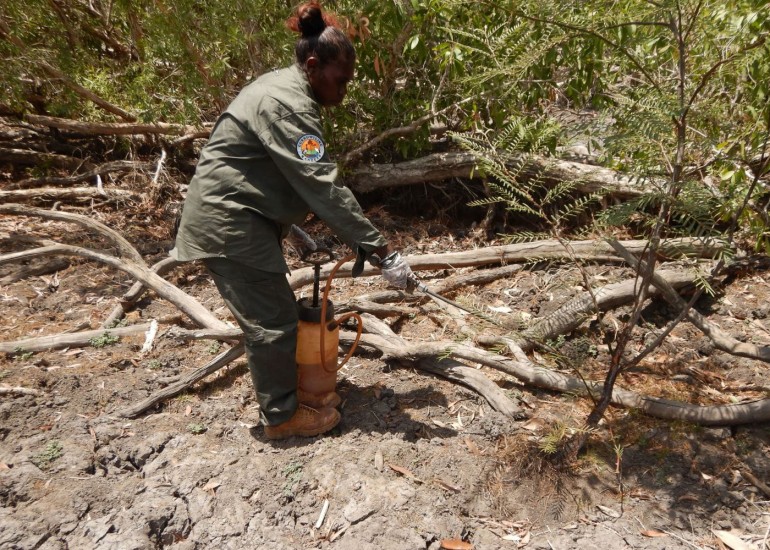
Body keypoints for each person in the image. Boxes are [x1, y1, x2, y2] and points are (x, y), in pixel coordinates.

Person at [170, 1, 412, 440]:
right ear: (315, 65)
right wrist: (381, 251)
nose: (343, 92)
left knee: (280, 315)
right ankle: (281, 419)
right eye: (340, 81)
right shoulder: (289, 106)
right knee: (273, 323)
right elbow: (322, 185)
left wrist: (294, 227)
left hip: (242, 217)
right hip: (228, 223)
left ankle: (295, 392)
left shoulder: (284, 90)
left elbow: (268, 170)